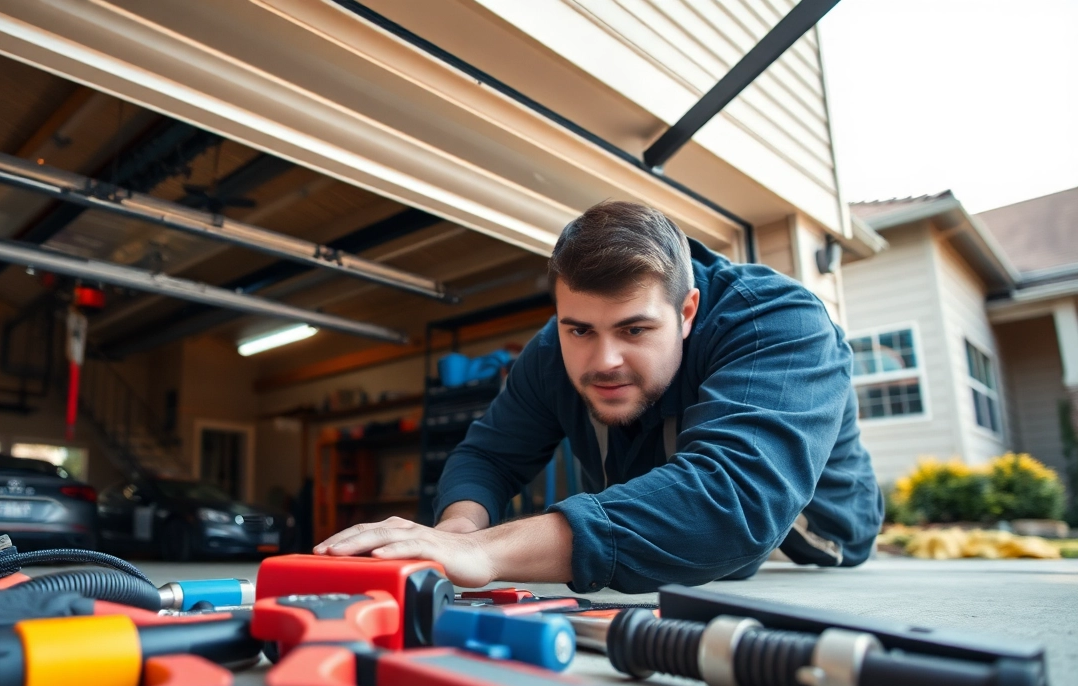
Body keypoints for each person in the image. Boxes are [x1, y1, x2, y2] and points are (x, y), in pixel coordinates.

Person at [314, 201, 883, 593]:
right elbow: (489, 455)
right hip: (662, 545)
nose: (603, 359)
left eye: (634, 330)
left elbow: (729, 502)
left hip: (810, 542)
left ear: (686, 311)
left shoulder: (778, 323)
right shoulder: (552, 350)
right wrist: (459, 530)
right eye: (579, 329)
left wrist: (490, 553)